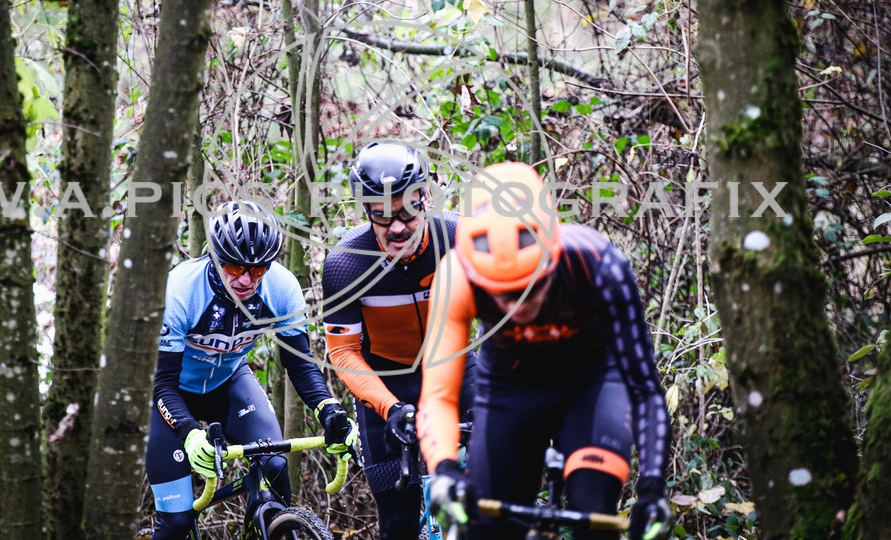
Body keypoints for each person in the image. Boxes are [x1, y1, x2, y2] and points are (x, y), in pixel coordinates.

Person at [417, 162, 672, 540]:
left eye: (532, 286)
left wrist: (652, 489)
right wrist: (445, 470)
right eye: (502, 293)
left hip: (594, 384)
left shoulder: (597, 265)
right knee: (485, 529)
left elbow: (646, 389)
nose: (519, 306)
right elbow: (437, 395)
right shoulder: (457, 277)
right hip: (510, 386)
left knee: (593, 515)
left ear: (552, 253)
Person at [146, 201, 358, 540]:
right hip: (171, 396)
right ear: (215, 258)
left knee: (274, 466)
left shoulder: (282, 288)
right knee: (176, 522)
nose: (245, 280)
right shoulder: (181, 289)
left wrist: (330, 410)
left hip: (228, 382)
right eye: (233, 267)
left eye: (258, 270)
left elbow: (300, 363)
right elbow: (162, 381)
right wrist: (188, 432)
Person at [322, 141, 476, 540]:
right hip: (386, 384)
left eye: (407, 212)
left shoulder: (458, 239)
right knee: (397, 523)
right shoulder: (346, 264)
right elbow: (343, 352)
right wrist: (390, 410)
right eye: (381, 215)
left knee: (496, 491)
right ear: (365, 211)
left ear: (425, 198)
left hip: (456, 367)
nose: (396, 227)